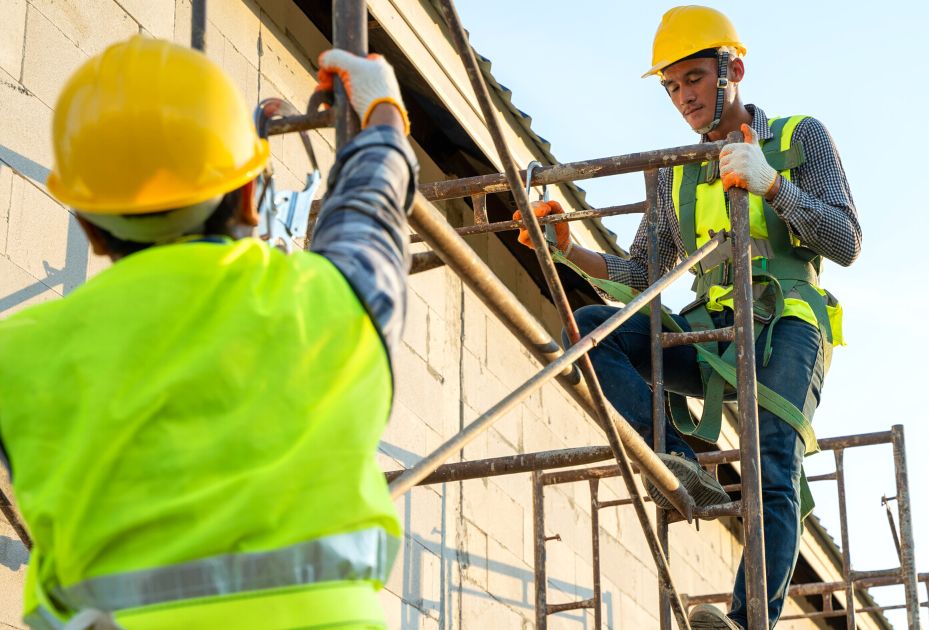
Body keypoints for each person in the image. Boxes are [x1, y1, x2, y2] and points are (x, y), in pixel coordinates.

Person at [0, 36, 417, 629]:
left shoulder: (16, 358)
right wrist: (383, 116)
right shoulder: (332, 300)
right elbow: (370, 210)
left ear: (89, 226)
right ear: (249, 194)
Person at [514, 6, 861, 629]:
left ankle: (750, 622)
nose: (684, 97)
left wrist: (773, 186)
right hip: (710, 330)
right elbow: (643, 273)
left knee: (771, 461)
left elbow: (846, 240)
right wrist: (570, 247)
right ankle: (677, 461)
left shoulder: (796, 137)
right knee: (591, 330)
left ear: (735, 69)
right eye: (672, 86)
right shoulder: (678, 168)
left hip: (787, 322)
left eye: (695, 78)